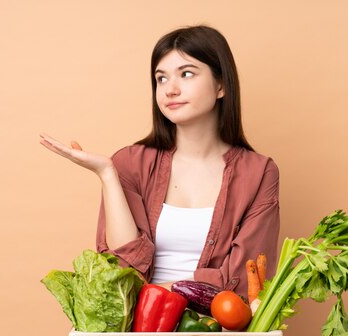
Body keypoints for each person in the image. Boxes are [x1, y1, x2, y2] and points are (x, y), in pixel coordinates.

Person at [40, 25, 279, 300]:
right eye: (161, 79)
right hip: (140, 331)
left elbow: (244, 283)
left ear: (221, 85)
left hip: (217, 331)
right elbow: (120, 272)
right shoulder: (129, 163)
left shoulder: (259, 173)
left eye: (186, 74)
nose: (170, 90)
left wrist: (151, 292)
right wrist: (107, 174)